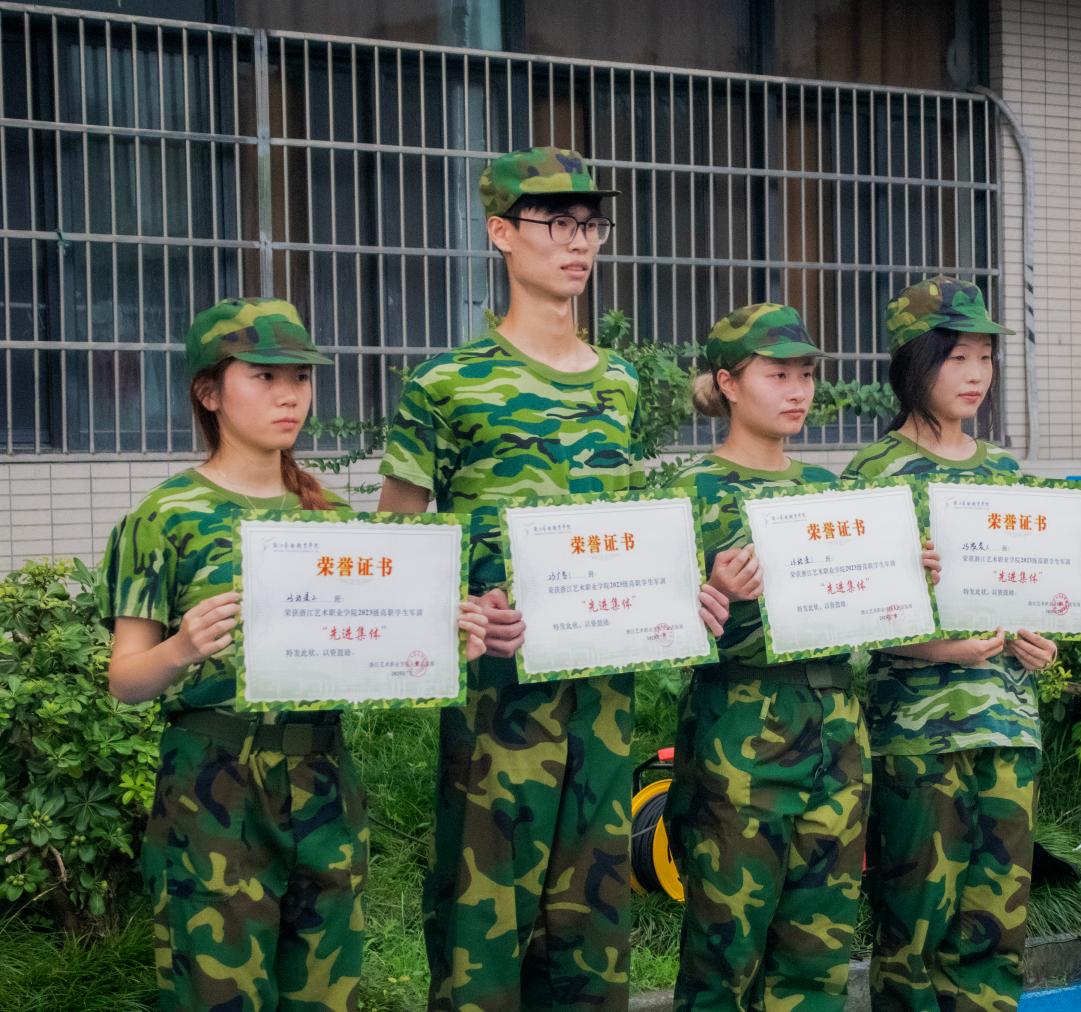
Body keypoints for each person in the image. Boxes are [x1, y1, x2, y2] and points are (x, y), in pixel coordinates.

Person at [376, 146, 728, 1009]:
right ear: (501, 232)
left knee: (592, 930)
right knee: (484, 929)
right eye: (556, 223)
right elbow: (396, 549)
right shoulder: (446, 385)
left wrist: (682, 594)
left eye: (590, 225)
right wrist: (458, 610)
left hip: (603, 699)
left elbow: (630, 531)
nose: (579, 242)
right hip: (499, 701)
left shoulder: (617, 382)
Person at [102, 297, 487, 1009]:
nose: (290, 396)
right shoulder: (165, 518)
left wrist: (446, 634)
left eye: (301, 378)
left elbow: (374, 652)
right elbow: (125, 679)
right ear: (209, 392)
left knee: (326, 991)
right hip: (214, 781)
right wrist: (182, 647)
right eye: (264, 376)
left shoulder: (329, 518)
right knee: (218, 992)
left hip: (322, 776)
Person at [842, 276, 1057, 1012]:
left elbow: (1031, 594)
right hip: (918, 736)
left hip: (1007, 727)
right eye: (955, 357)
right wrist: (943, 649)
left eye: (985, 358)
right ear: (914, 363)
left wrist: (1037, 642)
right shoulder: (873, 474)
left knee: (995, 929)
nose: (975, 374)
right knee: (914, 927)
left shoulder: (1002, 471)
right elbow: (852, 616)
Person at [662, 304, 875, 1009]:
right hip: (740, 736)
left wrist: (907, 574)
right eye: (777, 375)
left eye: (806, 375)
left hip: (836, 733)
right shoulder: (690, 494)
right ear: (728, 382)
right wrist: (713, 593)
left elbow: (872, 611)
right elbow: (660, 637)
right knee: (725, 957)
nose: (798, 391)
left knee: (819, 957)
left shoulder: (828, 492)